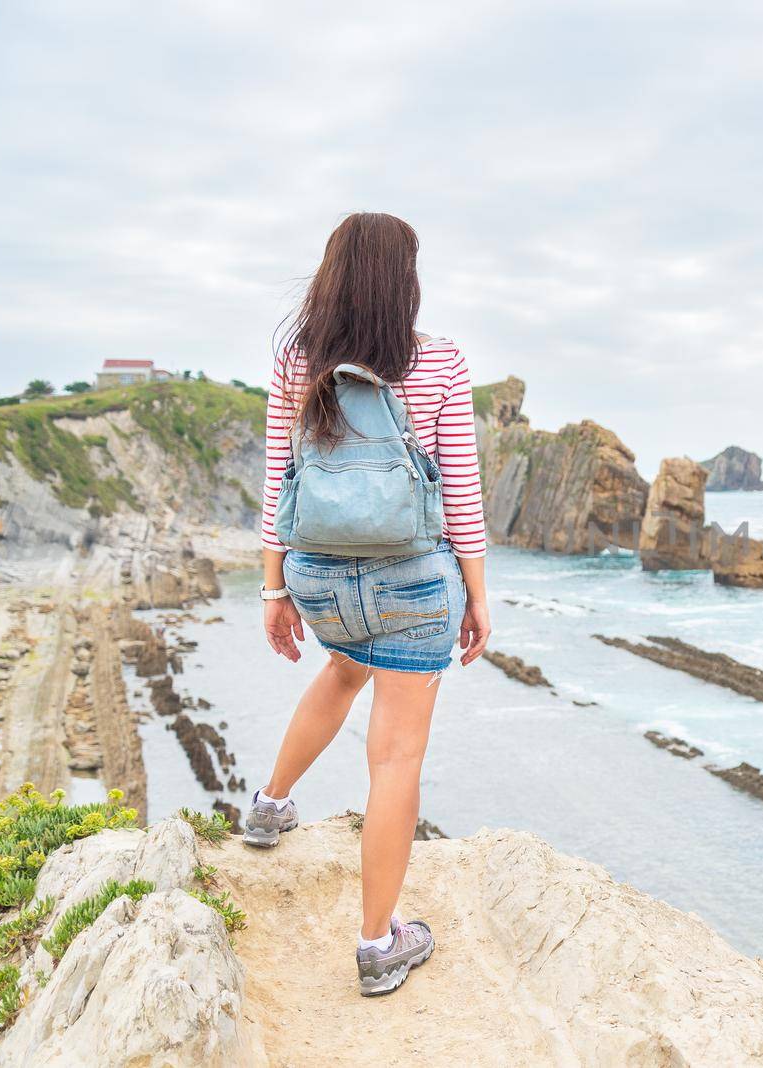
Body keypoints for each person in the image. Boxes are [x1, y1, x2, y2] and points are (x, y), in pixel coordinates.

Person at [248, 212, 491, 996]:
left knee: (344, 671)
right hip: (414, 582)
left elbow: (276, 482)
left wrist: (275, 588)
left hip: (320, 577)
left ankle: (266, 809)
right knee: (395, 758)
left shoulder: (298, 361)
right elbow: (459, 493)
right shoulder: (441, 362)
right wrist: (477, 598)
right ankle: (379, 944)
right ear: (404, 281)